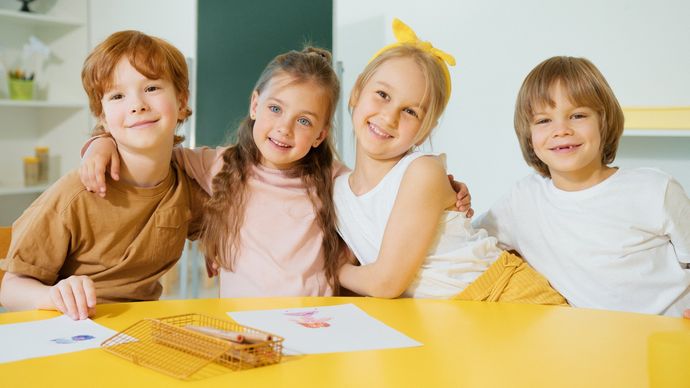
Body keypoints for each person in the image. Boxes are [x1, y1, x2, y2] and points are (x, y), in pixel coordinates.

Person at [79, 46, 473, 297]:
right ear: (255, 105)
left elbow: (386, 201)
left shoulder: (337, 183)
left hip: (318, 326)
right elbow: (151, 146)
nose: (284, 128)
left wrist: (447, 193)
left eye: (304, 122)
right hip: (243, 330)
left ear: (320, 134)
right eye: (275, 109)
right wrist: (102, 141)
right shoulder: (217, 165)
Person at [334, 18, 566, 305]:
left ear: (426, 129)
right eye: (382, 95)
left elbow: (386, 282)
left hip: (504, 295)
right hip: (449, 315)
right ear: (357, 91)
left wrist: (336, 271)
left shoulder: (422, 172)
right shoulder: (337, 191)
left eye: (410, 111)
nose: (389, 116)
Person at [0, 30, 204, 320]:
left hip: (141, 329)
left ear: (182, 101)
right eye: (118, 95)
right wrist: (53, 295)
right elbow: (10, 288)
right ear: (103, 117)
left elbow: (222, 228)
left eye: (152, 88)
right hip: (72, 330)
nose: (137, 105)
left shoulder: (187, 185)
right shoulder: (76, 194)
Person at [475, 56, 690, 317]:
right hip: (591, 344)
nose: (561, 129)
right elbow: (470, 244)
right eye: (544, 120)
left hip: (668, 336)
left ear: (604, 122)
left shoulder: (655, 189)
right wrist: (453, 197)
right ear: (529, 137)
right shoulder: (522, 200)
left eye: (577, 115)